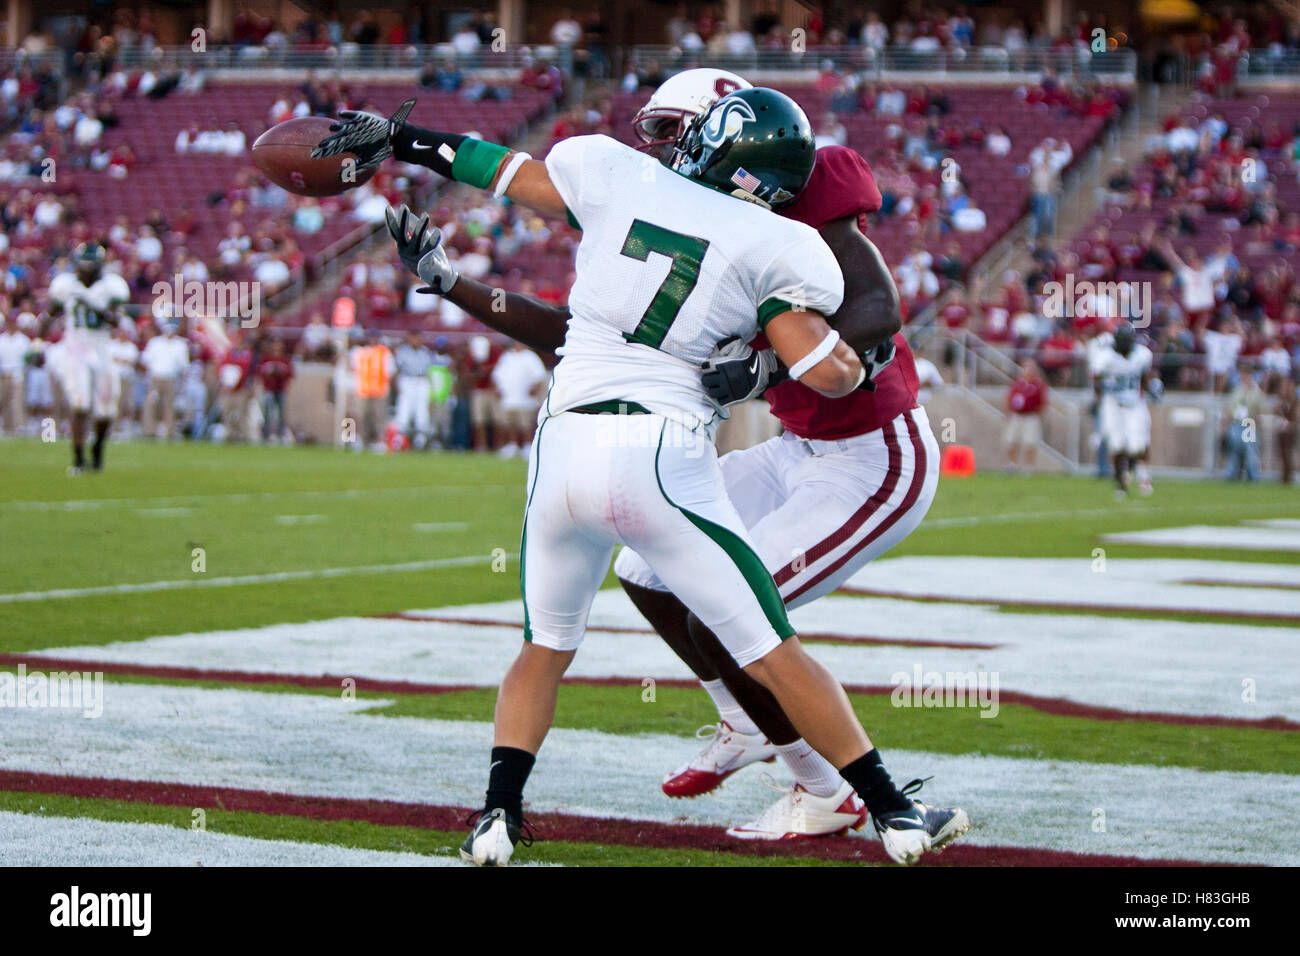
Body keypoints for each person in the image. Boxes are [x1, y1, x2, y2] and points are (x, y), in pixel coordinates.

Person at [333, 78, 965, 859]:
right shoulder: (756, 233)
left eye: (676, 129)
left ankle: (506, 812)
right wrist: (453, 278)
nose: (661, 145)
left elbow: (502, 172)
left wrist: (404, 142)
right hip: (689, 452)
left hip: (834, 452)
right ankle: (873, 797)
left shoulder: (633, 179)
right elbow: (819, 359)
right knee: (702, 608)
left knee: (586, 643)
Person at [44, 243, 129, 472]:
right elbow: (48, 315)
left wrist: (93, 305)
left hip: (101, 346)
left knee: (107, 409)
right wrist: (38, 334)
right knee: (80, 403)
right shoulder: (66, 285)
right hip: (76, 345)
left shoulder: (111, 286)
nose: (86, 270)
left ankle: (98, 448)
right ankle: (79, 459)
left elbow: (116, 320)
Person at [1091, 322, 1158, 496]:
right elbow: (1096, 379)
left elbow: (1144, 377)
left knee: (1137, 445)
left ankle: (1136, 473)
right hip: (1112, 403)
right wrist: (1097, 401)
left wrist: (1151, 390)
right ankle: (1120, 483)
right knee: (1117, 445)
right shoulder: (1106, 356)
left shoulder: (1141, 355)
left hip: (1135, 403)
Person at [490, 341, 547, 457]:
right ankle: (512, 445)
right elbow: (498, 375)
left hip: (525, 398)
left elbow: (539, 375)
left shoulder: (531, 357)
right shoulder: (507, 357)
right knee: (510, 424)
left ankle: (527, 445)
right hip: (508, 397)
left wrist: (534, 389)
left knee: (525, 424)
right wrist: (497, 388)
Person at [139, 322, 190, 440]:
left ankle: (169, 430)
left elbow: (184, 366)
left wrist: (183, 382)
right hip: (156, 376)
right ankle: (149, 429)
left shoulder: (180, 344)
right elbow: (146, 360)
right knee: (151, 404)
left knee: (169, 405)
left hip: (171, 377)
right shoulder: (155, 343)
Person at [350, 333, 394, 450]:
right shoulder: (360, 352)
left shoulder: (384, 352)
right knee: (362, 416)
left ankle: (380, 440)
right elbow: (354, 368)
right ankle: (362, 440)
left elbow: (390, 371)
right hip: (363, 390)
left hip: (380, 390)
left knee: (379, 417)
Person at [1223, 363, 1265, 481]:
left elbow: (1260, 411)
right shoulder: (1237, 390)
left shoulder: (1256, 392)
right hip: (1236, 423)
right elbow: (1230, 407)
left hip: (1249, 425)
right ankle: (1232, 474)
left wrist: (1251, 416)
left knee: (1250, 451)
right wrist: (1228, 419)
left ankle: (1253, 476)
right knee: (1234, 450)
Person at [393, 330, 434, 449]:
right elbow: (398, 369)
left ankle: (420, 439)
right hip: (408, 380)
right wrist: (397, 386)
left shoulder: (425, 352)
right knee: (404, 409)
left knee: (422, 410)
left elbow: (428, 370)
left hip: (421, 381)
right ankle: (399, 438)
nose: (416, 341)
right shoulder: (403, 352)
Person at [1005, 358, 1047, 472]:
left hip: (1031, 416)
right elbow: (1009, 398)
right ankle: (1012, 464)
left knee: (1030, 442)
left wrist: (1038, 414)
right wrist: (1008, 411)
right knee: (1012, 440)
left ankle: (1028, 466)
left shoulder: (1038, 385)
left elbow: (1043, 402)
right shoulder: (1017, 384)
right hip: (1017, 415)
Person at [257, 337, 294, 443]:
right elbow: (260, 372)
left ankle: (280, 434)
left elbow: (290, 374)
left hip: (280, 389)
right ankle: (266, 434)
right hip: (269, 388)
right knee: (267, 411)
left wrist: (280, 373)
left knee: (281, 412)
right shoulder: (266, 359)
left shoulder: (285, 359)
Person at [0, 313, 31, 434]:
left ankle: (19, 425)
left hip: (17, 373)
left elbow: (27, 359)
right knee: (4, 399)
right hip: (3, 372)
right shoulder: (2, 339)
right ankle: (7, 426)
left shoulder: (23, 340)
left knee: (17, 399)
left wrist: (23, 372)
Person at [1276, 377, 1297, 485]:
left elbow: (1296, 417)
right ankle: (1284, 476)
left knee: (1288, 454)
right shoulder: (1281, 402)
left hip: (1291, 432)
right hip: (1281, 432)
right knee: (1282, 454)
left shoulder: (1294, 402)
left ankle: (1287, 476)